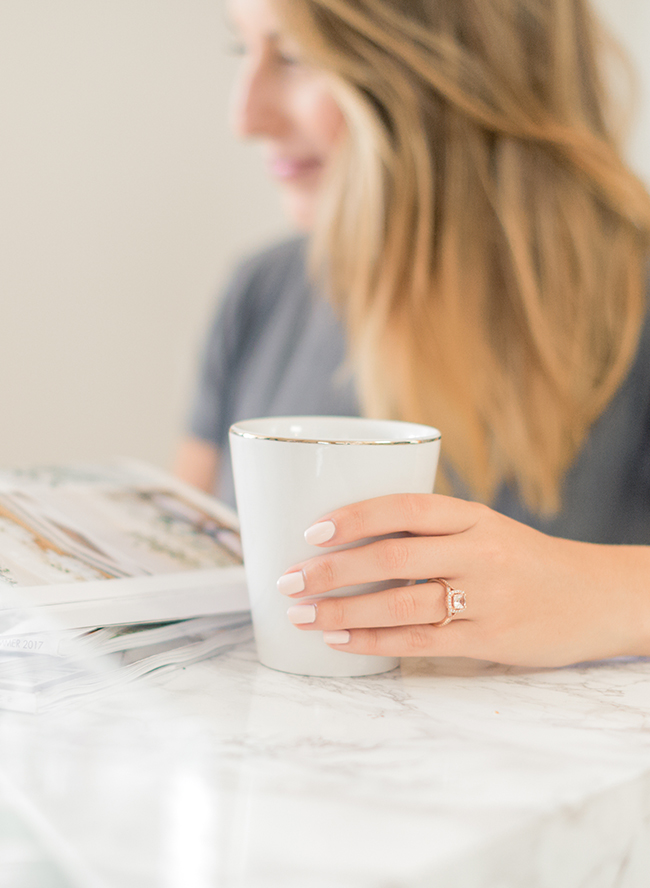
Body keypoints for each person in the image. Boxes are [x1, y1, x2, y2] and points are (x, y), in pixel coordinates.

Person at [175, 0, 650, 668]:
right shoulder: (260, 291)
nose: (245, 118)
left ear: (464, 67)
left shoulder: (635, 301)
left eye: (295, 56)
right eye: (242, 52)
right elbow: (183, 559)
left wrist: (601, 592)